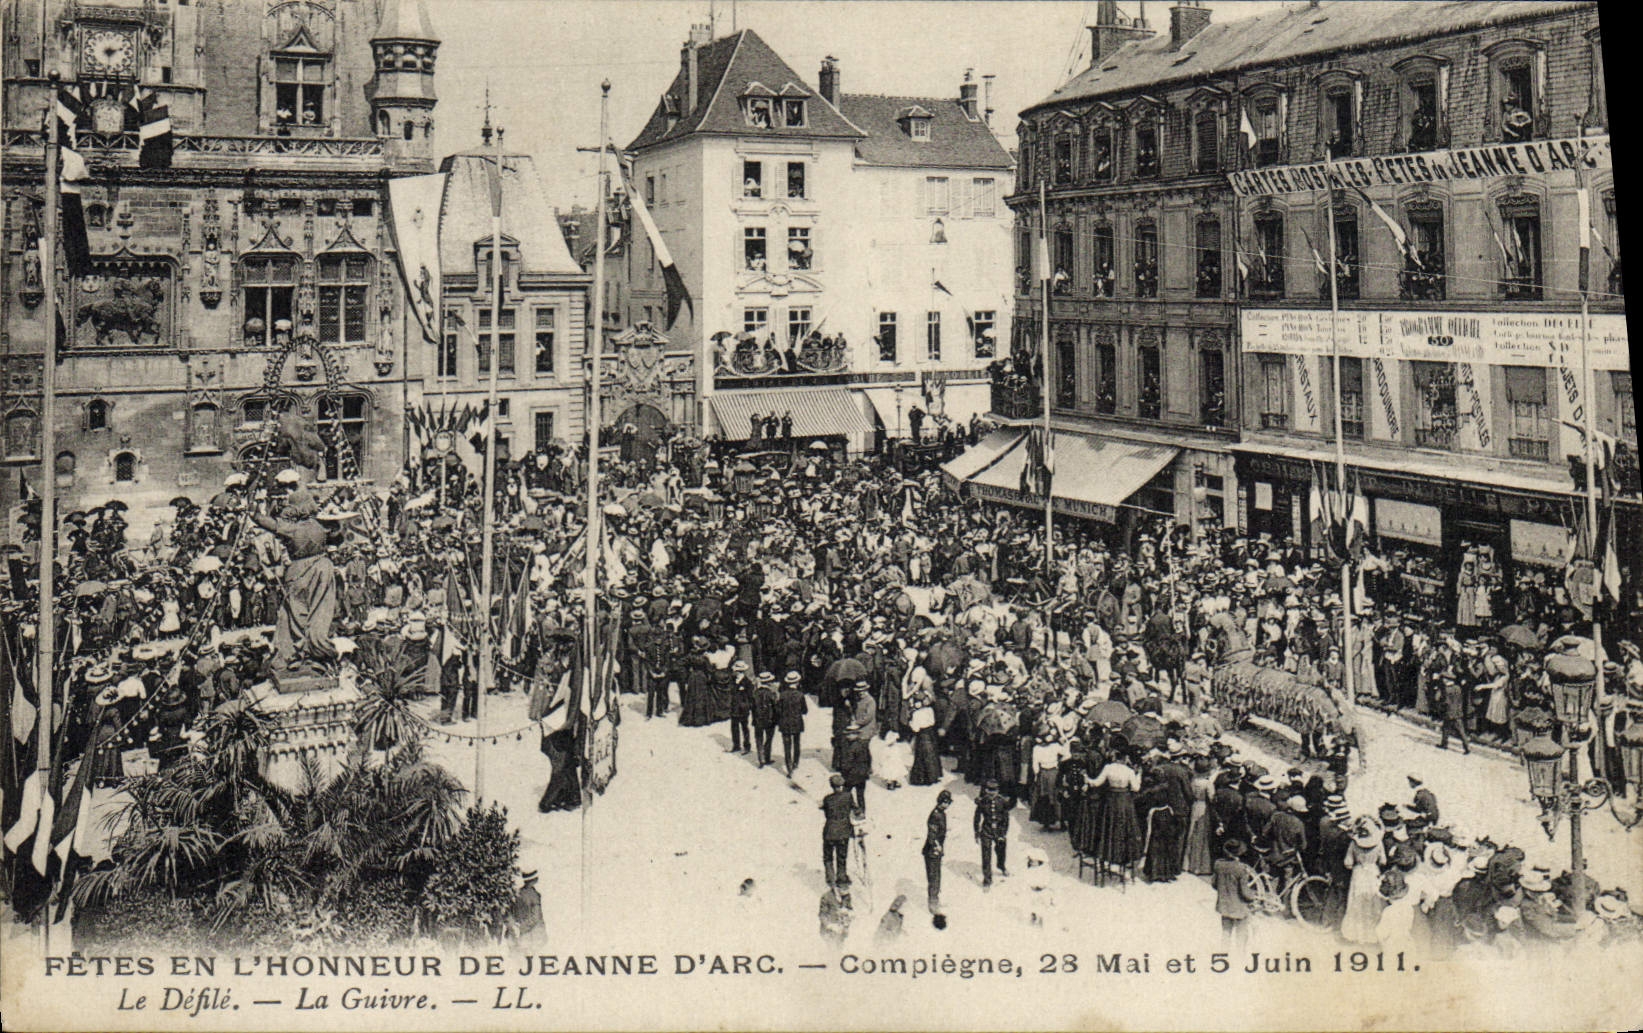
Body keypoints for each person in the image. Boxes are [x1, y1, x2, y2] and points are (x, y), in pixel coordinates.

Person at [1341, 818, 1388, 944]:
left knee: (1357, 903)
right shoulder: (1378, 844)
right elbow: (1383, 861)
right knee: (1374, 903)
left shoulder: (1353, 844)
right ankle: (1373, 935)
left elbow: (1348, 863)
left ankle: (1357, 935)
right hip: (1373, 873)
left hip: (1359, 874)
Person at [1214, 839, 1257, 950]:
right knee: (1241, 936)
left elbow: (1214, 884)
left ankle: (1223, 957)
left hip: (1224, 905)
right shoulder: (1241, 868)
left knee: (1226, 933)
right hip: (1239, 908)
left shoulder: (1218, 864)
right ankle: (1239, 960)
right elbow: (1245, 893)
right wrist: (1254, 897)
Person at [974, 778, 1011, 889]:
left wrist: (1003, 834)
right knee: (986, 855)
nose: (991, 793)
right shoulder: (982, 802)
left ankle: (1001, 865)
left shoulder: (1002, 802)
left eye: (994, 790)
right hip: (986, 830)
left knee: (1001, 850)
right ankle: (987, 880)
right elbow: (977, 817)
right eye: (989, 790)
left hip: (999, 830)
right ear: (986, 790)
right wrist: (976, 832)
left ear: (998, 791)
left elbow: (1006, 818)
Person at [821, 773, 854, 888]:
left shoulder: (827, 799)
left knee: (828, 857)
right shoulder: (848, 796)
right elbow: (854, 808)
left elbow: (826, 814)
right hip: (844, 831)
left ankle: (830, 879)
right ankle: (842, 878)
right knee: (842, 856)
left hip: (830, 831)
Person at [923, 789, 951, 914]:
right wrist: (936, 846)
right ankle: (933, 904)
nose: (947, 805)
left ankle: (935, 900)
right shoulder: (935, 815)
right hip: (932, 850)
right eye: (945, 802)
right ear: (940, 802)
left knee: (936, 877)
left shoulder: (941, 813)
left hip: (937, 849)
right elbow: (931, 834)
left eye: (948, 802)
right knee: (934, 877)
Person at [778, 670, 808, 776]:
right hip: (796, 722)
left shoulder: (782, 695)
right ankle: (795, 763)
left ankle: (789, 767)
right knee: (796, 743)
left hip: (785, 722)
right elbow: (805, 710)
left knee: (787, 745)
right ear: (797, 682)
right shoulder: (800, 695)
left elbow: (778, 710)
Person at [751, 671, 780, 768]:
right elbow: (776, 707)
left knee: (759, 739)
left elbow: (752, 706)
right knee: (769, 738)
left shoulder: (755, 693)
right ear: (769, 682)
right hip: (769, 719)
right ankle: (767, 757)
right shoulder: (771, 693)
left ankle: (761, 759)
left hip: (758, 719)